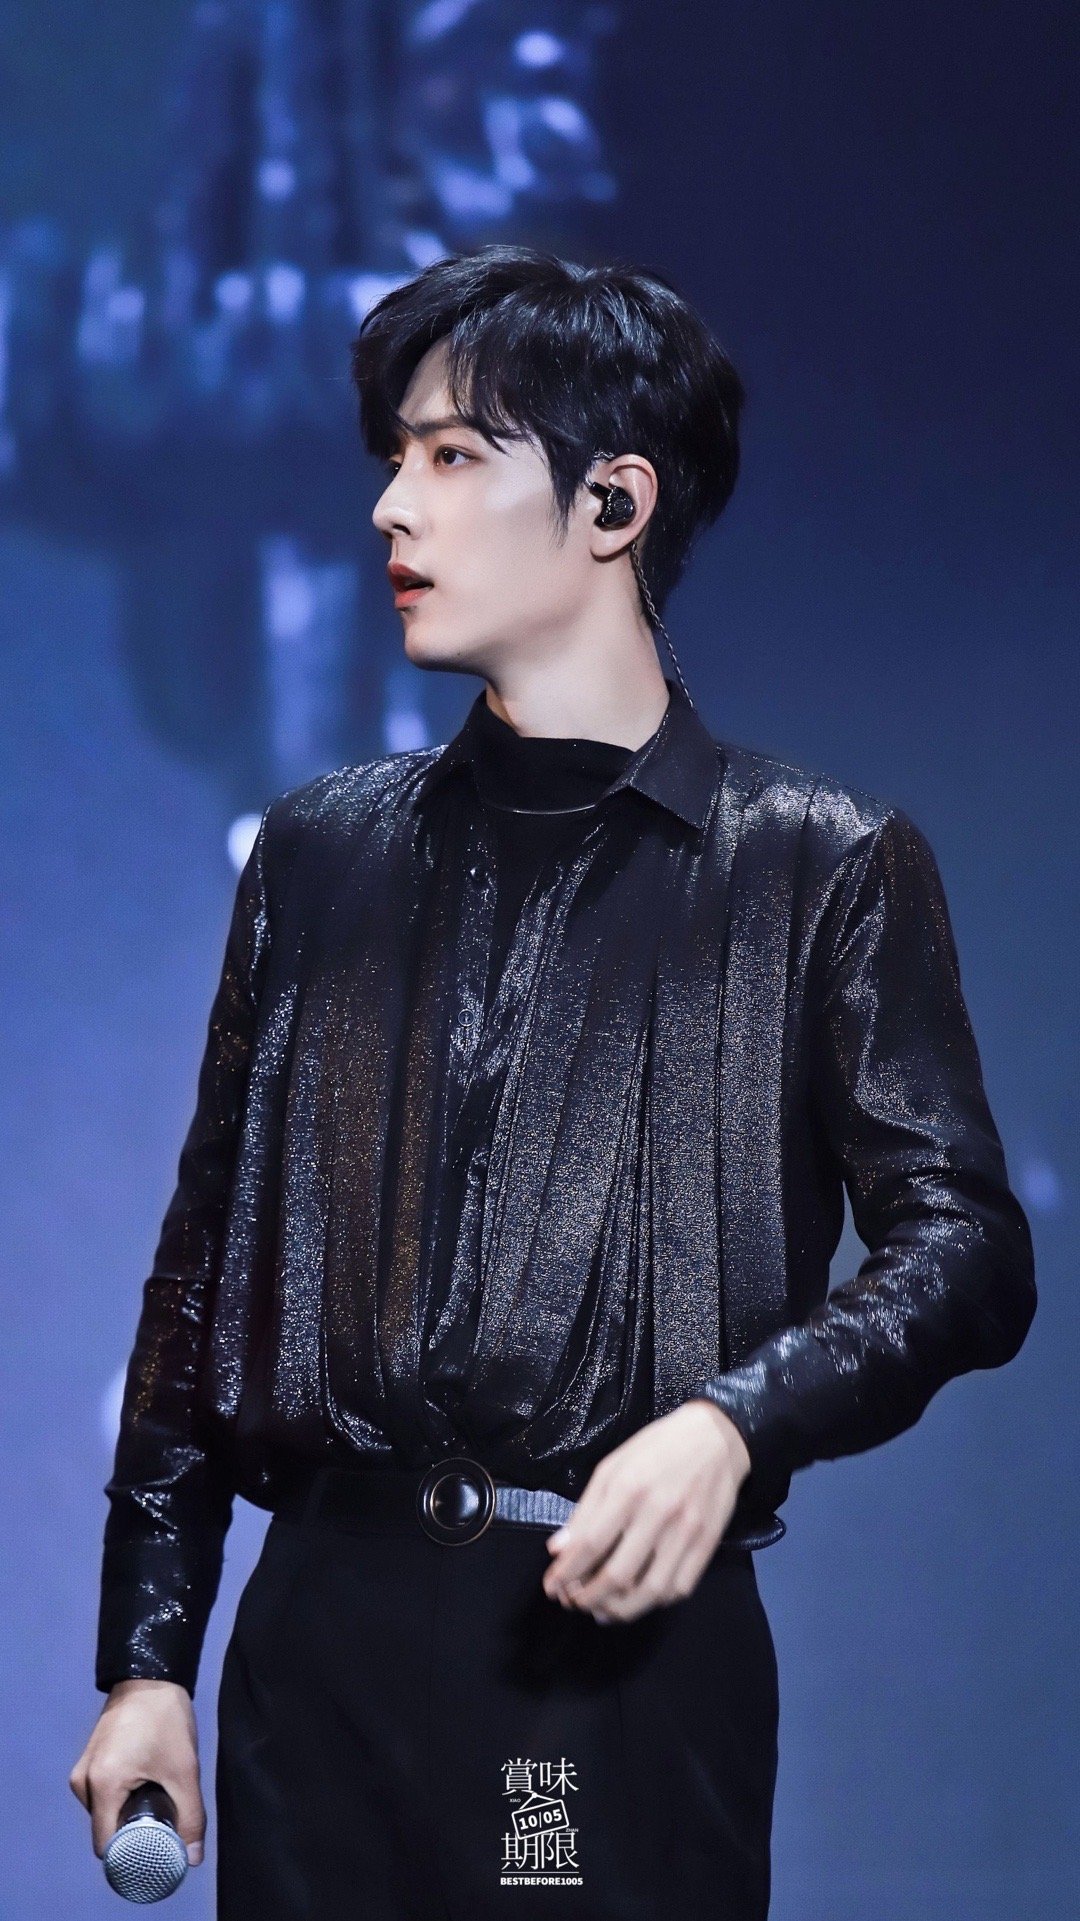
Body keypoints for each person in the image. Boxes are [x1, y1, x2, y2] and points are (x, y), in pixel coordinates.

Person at [70, 245, 1037, 1918]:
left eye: (453, 455)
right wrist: (148, 1656)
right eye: (395, 456)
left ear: (612, 504)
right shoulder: (319, 853)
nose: (393, 506)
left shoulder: (816, 864)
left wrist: (736, 1420)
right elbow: (204, 1283)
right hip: (320, 1654)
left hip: (607, 1656)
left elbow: (966, 1246)